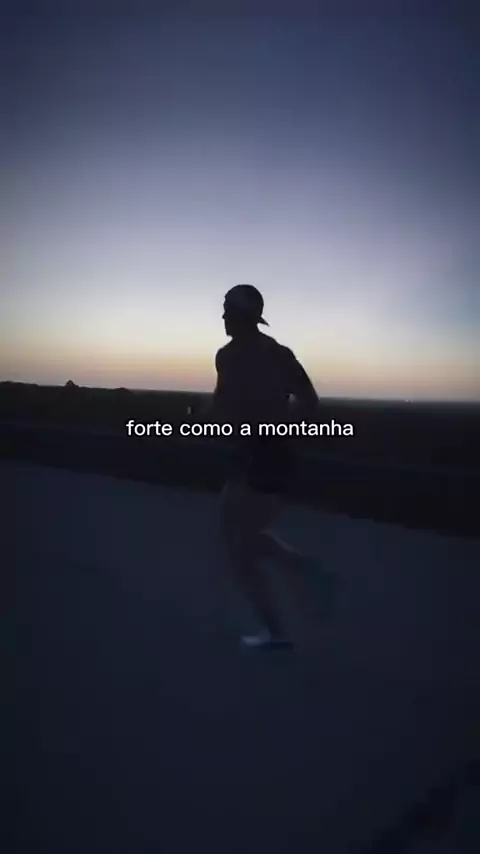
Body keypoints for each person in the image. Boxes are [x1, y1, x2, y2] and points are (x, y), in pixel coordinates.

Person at [207, 284, 325, 650]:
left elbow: (308, 401)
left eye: (228, 310)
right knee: (236, 535)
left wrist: (277, 426)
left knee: (240, 546)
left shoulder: (277, 355)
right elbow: (222, 401)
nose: (222, 316)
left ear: (244, 316)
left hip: (271, 455)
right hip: (245, 454)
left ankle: (278, 629)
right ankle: (303, 576)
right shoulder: (225, 356)